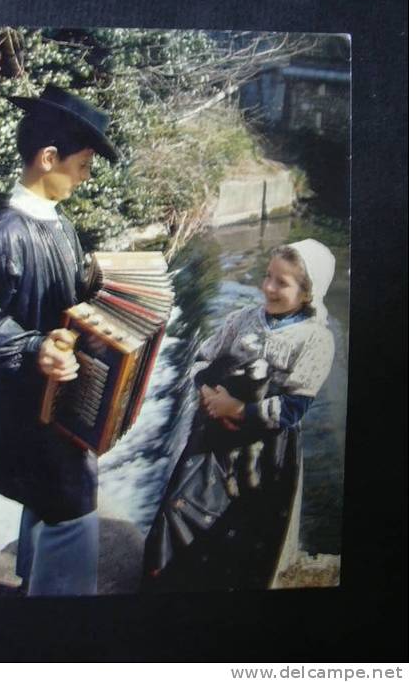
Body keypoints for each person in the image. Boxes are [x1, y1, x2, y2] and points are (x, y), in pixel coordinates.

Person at [0, 85, 119, 596]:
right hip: (28, 405)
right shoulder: (5, 233)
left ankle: (34, 581)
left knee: (53, 491)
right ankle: (60, 624)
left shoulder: (60, 225)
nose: (86, 178)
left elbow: (65, 298)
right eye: (84, 165)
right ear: (49, 158)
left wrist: (104, 284)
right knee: (72, 500)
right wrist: (31, 348)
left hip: (57, 400)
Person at [142, 239, 336, 592]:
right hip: (212, 437)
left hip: (263, 453)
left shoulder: (314, 340)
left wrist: (240, 411)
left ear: (308, 293)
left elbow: (294, 407)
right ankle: (165, 590)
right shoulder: (242, 319)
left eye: (282, 282)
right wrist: (209, 396)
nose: (269, 287)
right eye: (268, 276)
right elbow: (202, 359)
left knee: (243, 531)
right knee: (178, 508)